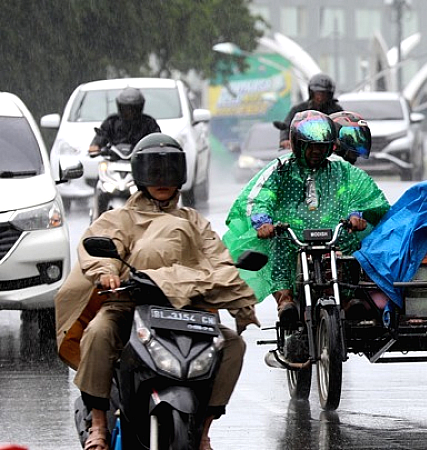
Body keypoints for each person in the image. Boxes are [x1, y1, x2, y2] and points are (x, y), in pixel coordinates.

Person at [55, 133, 260, 450]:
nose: (162, 179)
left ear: (182, 175)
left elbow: (220, 262)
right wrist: (107, 273)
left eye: (170, 170)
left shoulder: (196, 223)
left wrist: (242, 306)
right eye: (154, 171)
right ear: (139, 175)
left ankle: (204, 430)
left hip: (189, 310)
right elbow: (100, 251)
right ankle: (98, 424)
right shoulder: (121, 218)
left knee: (233, 344)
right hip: (128, 304)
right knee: (97, 332)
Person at [234, 110, 389, 324]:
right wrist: (263, 221)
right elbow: (259, 195)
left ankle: (347, 299)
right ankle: (285, 299)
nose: (317, 151)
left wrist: (357, 215)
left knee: (353, 244)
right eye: (312, 145)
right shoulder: (280, 168)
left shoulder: (341, 169)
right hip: (291, 234)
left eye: (322, 145)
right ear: (298, 144)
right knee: (279, 245)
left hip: (334, 233)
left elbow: (363, 193)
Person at [88, 87, 161, 156]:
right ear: (120, 107)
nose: (129, 112)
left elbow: (158, 140)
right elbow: (101, 135)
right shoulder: (112, 121)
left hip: (141, 162)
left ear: (139, 107)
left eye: (133, 109)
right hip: (114, 160)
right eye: (126, 108)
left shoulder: (149, 122)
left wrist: (157, 148)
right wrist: (96, 145)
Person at [278, 73, 343, 149]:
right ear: (311, 93)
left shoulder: (337, 111)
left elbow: (344, 128)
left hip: (330, 149)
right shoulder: (299, 109)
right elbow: (286, 126)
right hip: (303, 148)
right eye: (318, 94)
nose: (320, 97)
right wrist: (285, 139)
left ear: (329, 95)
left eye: (324, 94)